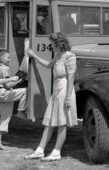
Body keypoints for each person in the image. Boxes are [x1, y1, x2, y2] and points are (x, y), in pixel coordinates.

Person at [25, 32, 78, 161]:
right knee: (49, 121)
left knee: (62, 122)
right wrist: (35, 56)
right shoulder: (58, 55)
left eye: (52, 44)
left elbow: (71, 77)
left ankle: (56, 152)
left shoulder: (69, 56)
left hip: (65, 89)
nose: (51, 46)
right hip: (57, 88)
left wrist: (68, 97)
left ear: (59, 44)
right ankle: (40, 150)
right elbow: (49, 65)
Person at [0, 50, 27, 150]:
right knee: (26, 91)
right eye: (8, 58)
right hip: (4, 93)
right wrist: (19, 81)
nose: (10, 59)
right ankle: (21, 111)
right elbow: (8, 85)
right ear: (2, 59)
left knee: (4, 118)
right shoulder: (5, 69)